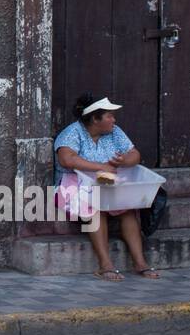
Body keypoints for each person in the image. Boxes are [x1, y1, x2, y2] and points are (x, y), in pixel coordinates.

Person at [53, 93, 161, 281]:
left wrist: (124, 160)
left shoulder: (114, 132)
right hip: (73, 184)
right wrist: (100, 166)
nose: (114, 119)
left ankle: (140, 262)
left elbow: (135, 154)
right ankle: (105, 264)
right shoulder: (72, 133)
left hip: (106, 183)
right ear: (95, 119)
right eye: (109, 116)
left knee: (127, 209)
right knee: (95, 207)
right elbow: (67, 159)